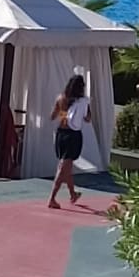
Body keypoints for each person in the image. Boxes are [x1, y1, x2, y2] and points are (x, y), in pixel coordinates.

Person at [48, 75, 91, 208]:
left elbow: (52, 116)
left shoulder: (61, 98)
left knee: (67, 166)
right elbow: (88, 119)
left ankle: (73, 194)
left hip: (61, 133)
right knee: (63, 167)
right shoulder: (83, 101)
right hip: (73, 135)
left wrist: (64, 113)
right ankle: (52, 198)